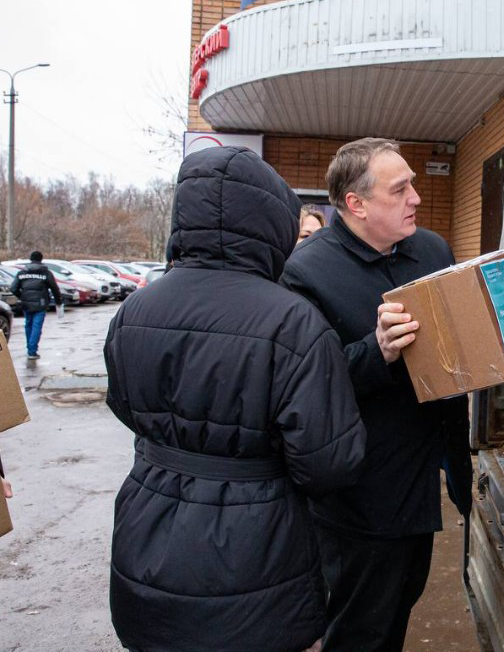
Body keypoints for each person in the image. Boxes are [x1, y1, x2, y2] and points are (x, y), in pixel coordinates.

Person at [104, 146, 366, 652]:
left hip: (147, 540)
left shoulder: (134, 309)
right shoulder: (294, 323)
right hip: (257, 560)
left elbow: (123, 405)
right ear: (271, 223)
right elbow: (330, 462)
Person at [281, 138, 473, 652]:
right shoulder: (306, 273)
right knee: (358, 630)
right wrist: (377, 351)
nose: (416, 197)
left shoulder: (432, 251)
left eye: (413, 183)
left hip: (422, 481)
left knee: (401, 608)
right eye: (400, 189)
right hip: (358, 499)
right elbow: (305, 385)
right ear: (356, 205)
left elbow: (455, 350)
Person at [10, 251, 61, 360]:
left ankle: (30, 348)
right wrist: (58, 301)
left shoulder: (22, 272)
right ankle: (32, 351)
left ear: (30, 259)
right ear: (41, 259)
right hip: (40, 303)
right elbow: (54, 288)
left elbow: (13, 288)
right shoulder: (45, 272)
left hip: (26, 303)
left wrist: (22, 296)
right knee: (36, 326)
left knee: (28, 325)